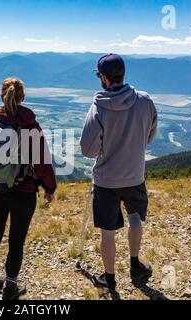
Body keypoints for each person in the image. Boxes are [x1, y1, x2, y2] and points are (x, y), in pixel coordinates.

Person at [80, 54, 158, 291]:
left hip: (106, 180)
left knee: (108, 230)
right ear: (122, 74)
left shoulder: (98, 107)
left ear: (103, 77)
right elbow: (150, 136)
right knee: (135, 217)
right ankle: (135, 266)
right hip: (135, 175)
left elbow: (87, 150)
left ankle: (109, 278)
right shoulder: (145, 101)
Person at [0, 77, 57, 300]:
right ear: (23, 97)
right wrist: (50, 188)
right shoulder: (30, 125)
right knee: (16, 240)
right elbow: (42, 162)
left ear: (1, 95)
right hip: (24, 191)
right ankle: (10, 287)